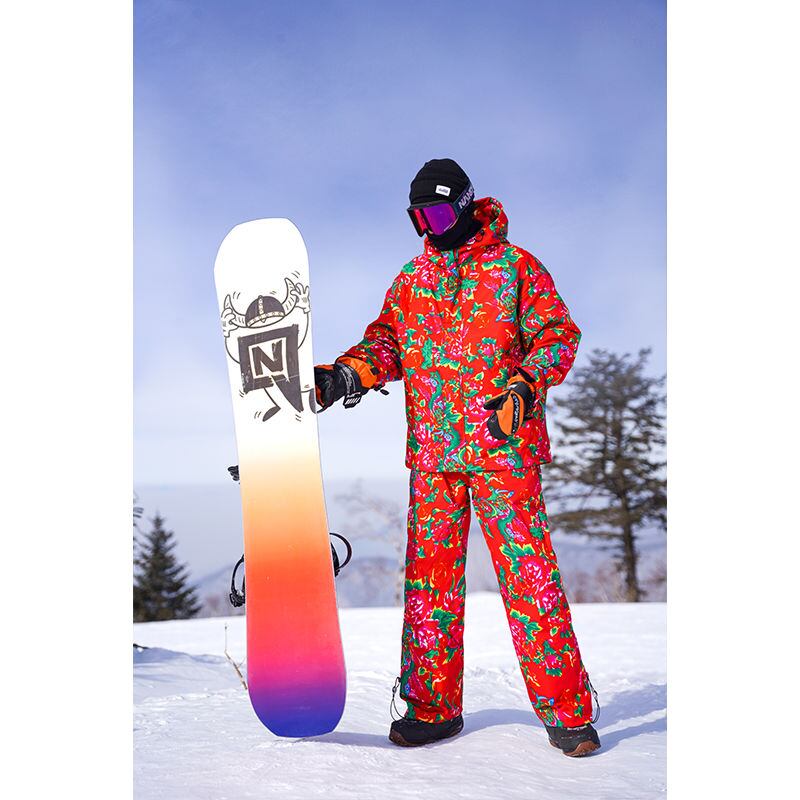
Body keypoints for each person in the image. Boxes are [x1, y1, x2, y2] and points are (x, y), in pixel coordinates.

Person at [315, 158, 600, 757]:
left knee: (530, 579)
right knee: (429, 586)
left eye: (439, 215)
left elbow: (558, 335)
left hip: (503, 451)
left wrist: (526, 384)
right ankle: (431, 710)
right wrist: (347, 374)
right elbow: (387, 344)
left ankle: (569, 714)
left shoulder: (515, 267)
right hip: (434, 455)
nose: (429, 228)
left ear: (466, 206)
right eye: (418, 218)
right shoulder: (412, 279)